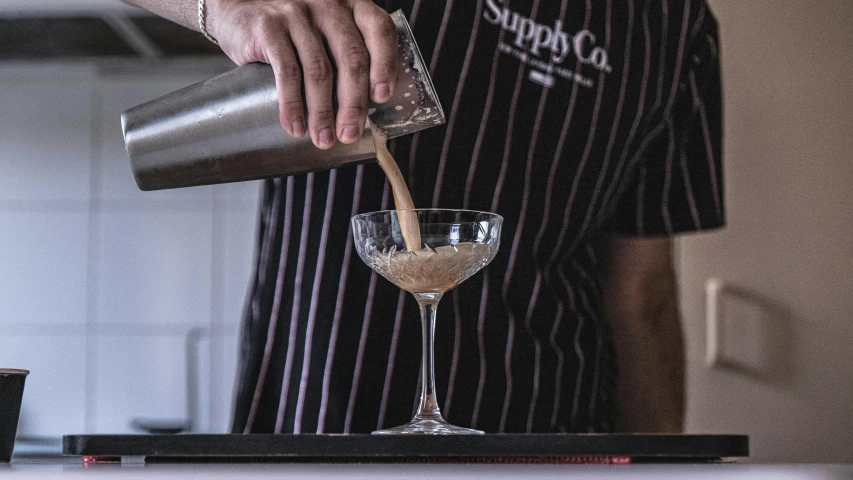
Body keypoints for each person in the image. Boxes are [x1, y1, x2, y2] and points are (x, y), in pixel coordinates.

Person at [126, 0, 724, 434]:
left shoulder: (673, 23)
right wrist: (222, 7)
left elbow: (641, 294)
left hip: (543, 436)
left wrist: (661, 468)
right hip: (317, 418)